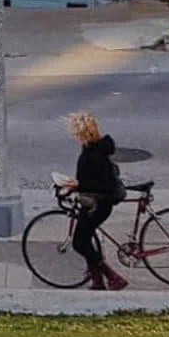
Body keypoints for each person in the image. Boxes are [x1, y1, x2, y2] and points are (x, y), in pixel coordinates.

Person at [65, 111, 128, 291]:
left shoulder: (94, 154)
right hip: (96, 202)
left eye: (76, 133)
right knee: (85, 240)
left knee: (79, 243)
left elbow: (101, 184)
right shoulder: (95, 147)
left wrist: (77, 185)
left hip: (98, 205)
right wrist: (78, 184)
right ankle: (98, 281)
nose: (75, 137)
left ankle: (112, 277)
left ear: (83, 134)